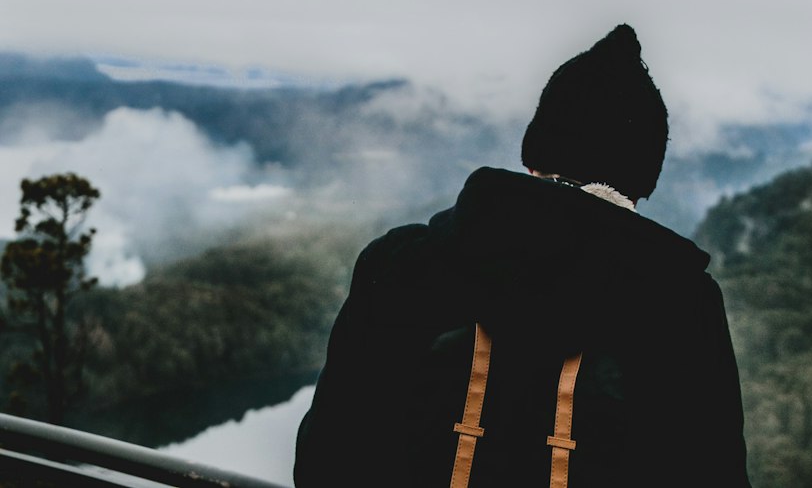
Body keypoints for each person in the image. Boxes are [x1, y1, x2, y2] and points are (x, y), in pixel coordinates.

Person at [294, 24, 751, 486]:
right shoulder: (681, 304)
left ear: (534, 162)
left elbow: (325, 465)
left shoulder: (398, 265)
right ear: (639, 187)